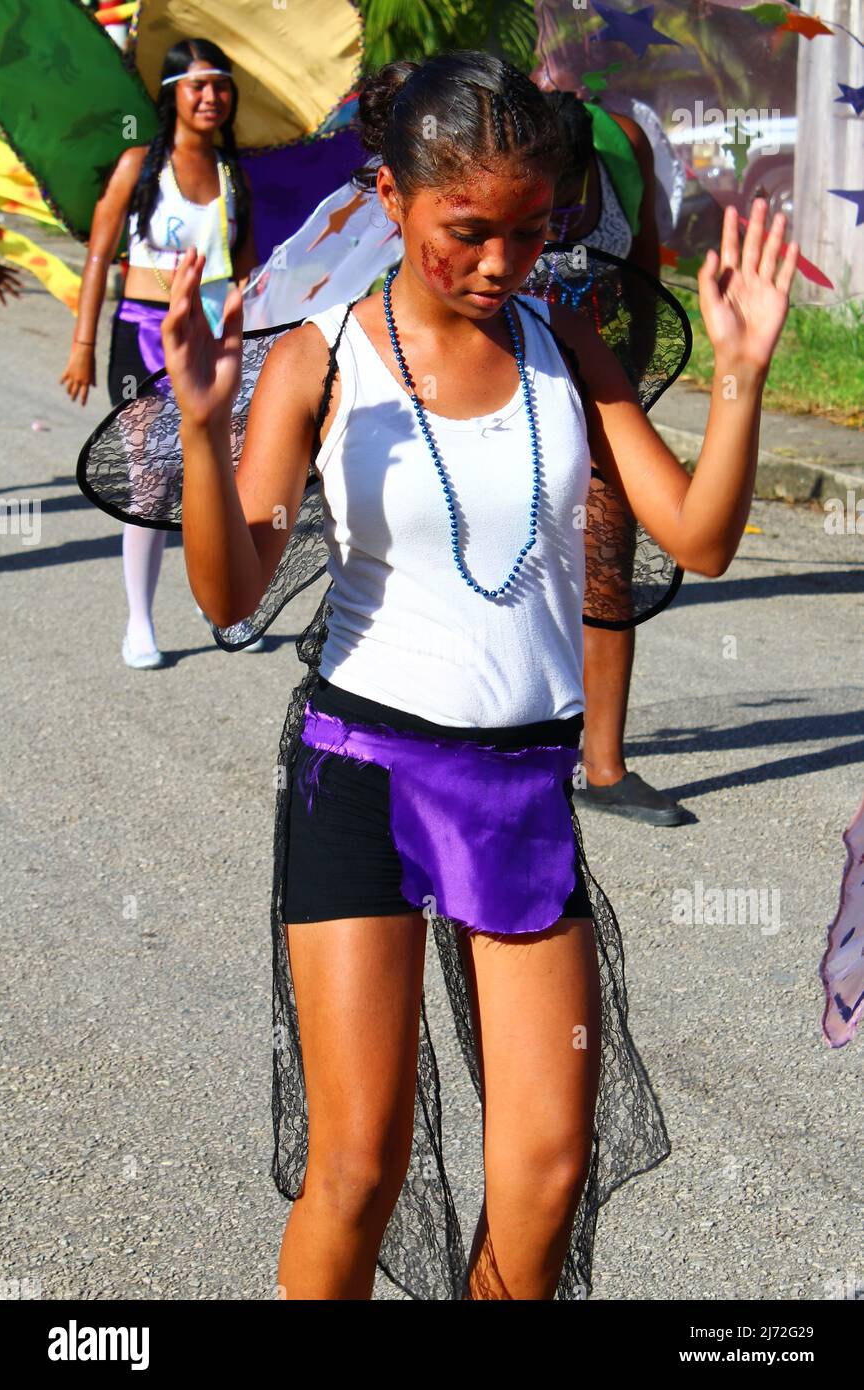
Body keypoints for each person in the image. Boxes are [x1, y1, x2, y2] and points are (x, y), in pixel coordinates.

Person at [160, 50, 798, 1300]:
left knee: (548, 1166)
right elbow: (230, 590)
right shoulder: (322, 361)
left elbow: (701, 536)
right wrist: (198, 428)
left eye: (530, 231)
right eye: (468, 232)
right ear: (390, 200)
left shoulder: (565, 348)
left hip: (515, 791)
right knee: (359, 1164)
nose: (502, 263)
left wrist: (739, 372)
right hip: (361, 779)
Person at [58, 37, 261, 668]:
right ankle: (139, 623)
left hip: (211, 339)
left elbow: (248, 274)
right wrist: (84, 342)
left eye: (220, 84)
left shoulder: (233, 177)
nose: (211, 97)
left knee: (219, 480)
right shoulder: (138, 166)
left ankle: (218, 599)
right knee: (149, 484)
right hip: (144, 335)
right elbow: (99, 254)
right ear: (172, 93)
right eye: (198, 84)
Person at [544, 88, 687, 826]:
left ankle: (603, 766)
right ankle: (504, 742)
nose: (558, 198)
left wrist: (629, 393)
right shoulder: (502, 162)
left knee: (608, 557)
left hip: (597, 380)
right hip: (503, 385)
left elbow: (645, 270)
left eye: (569, 180)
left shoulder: (623, 146)